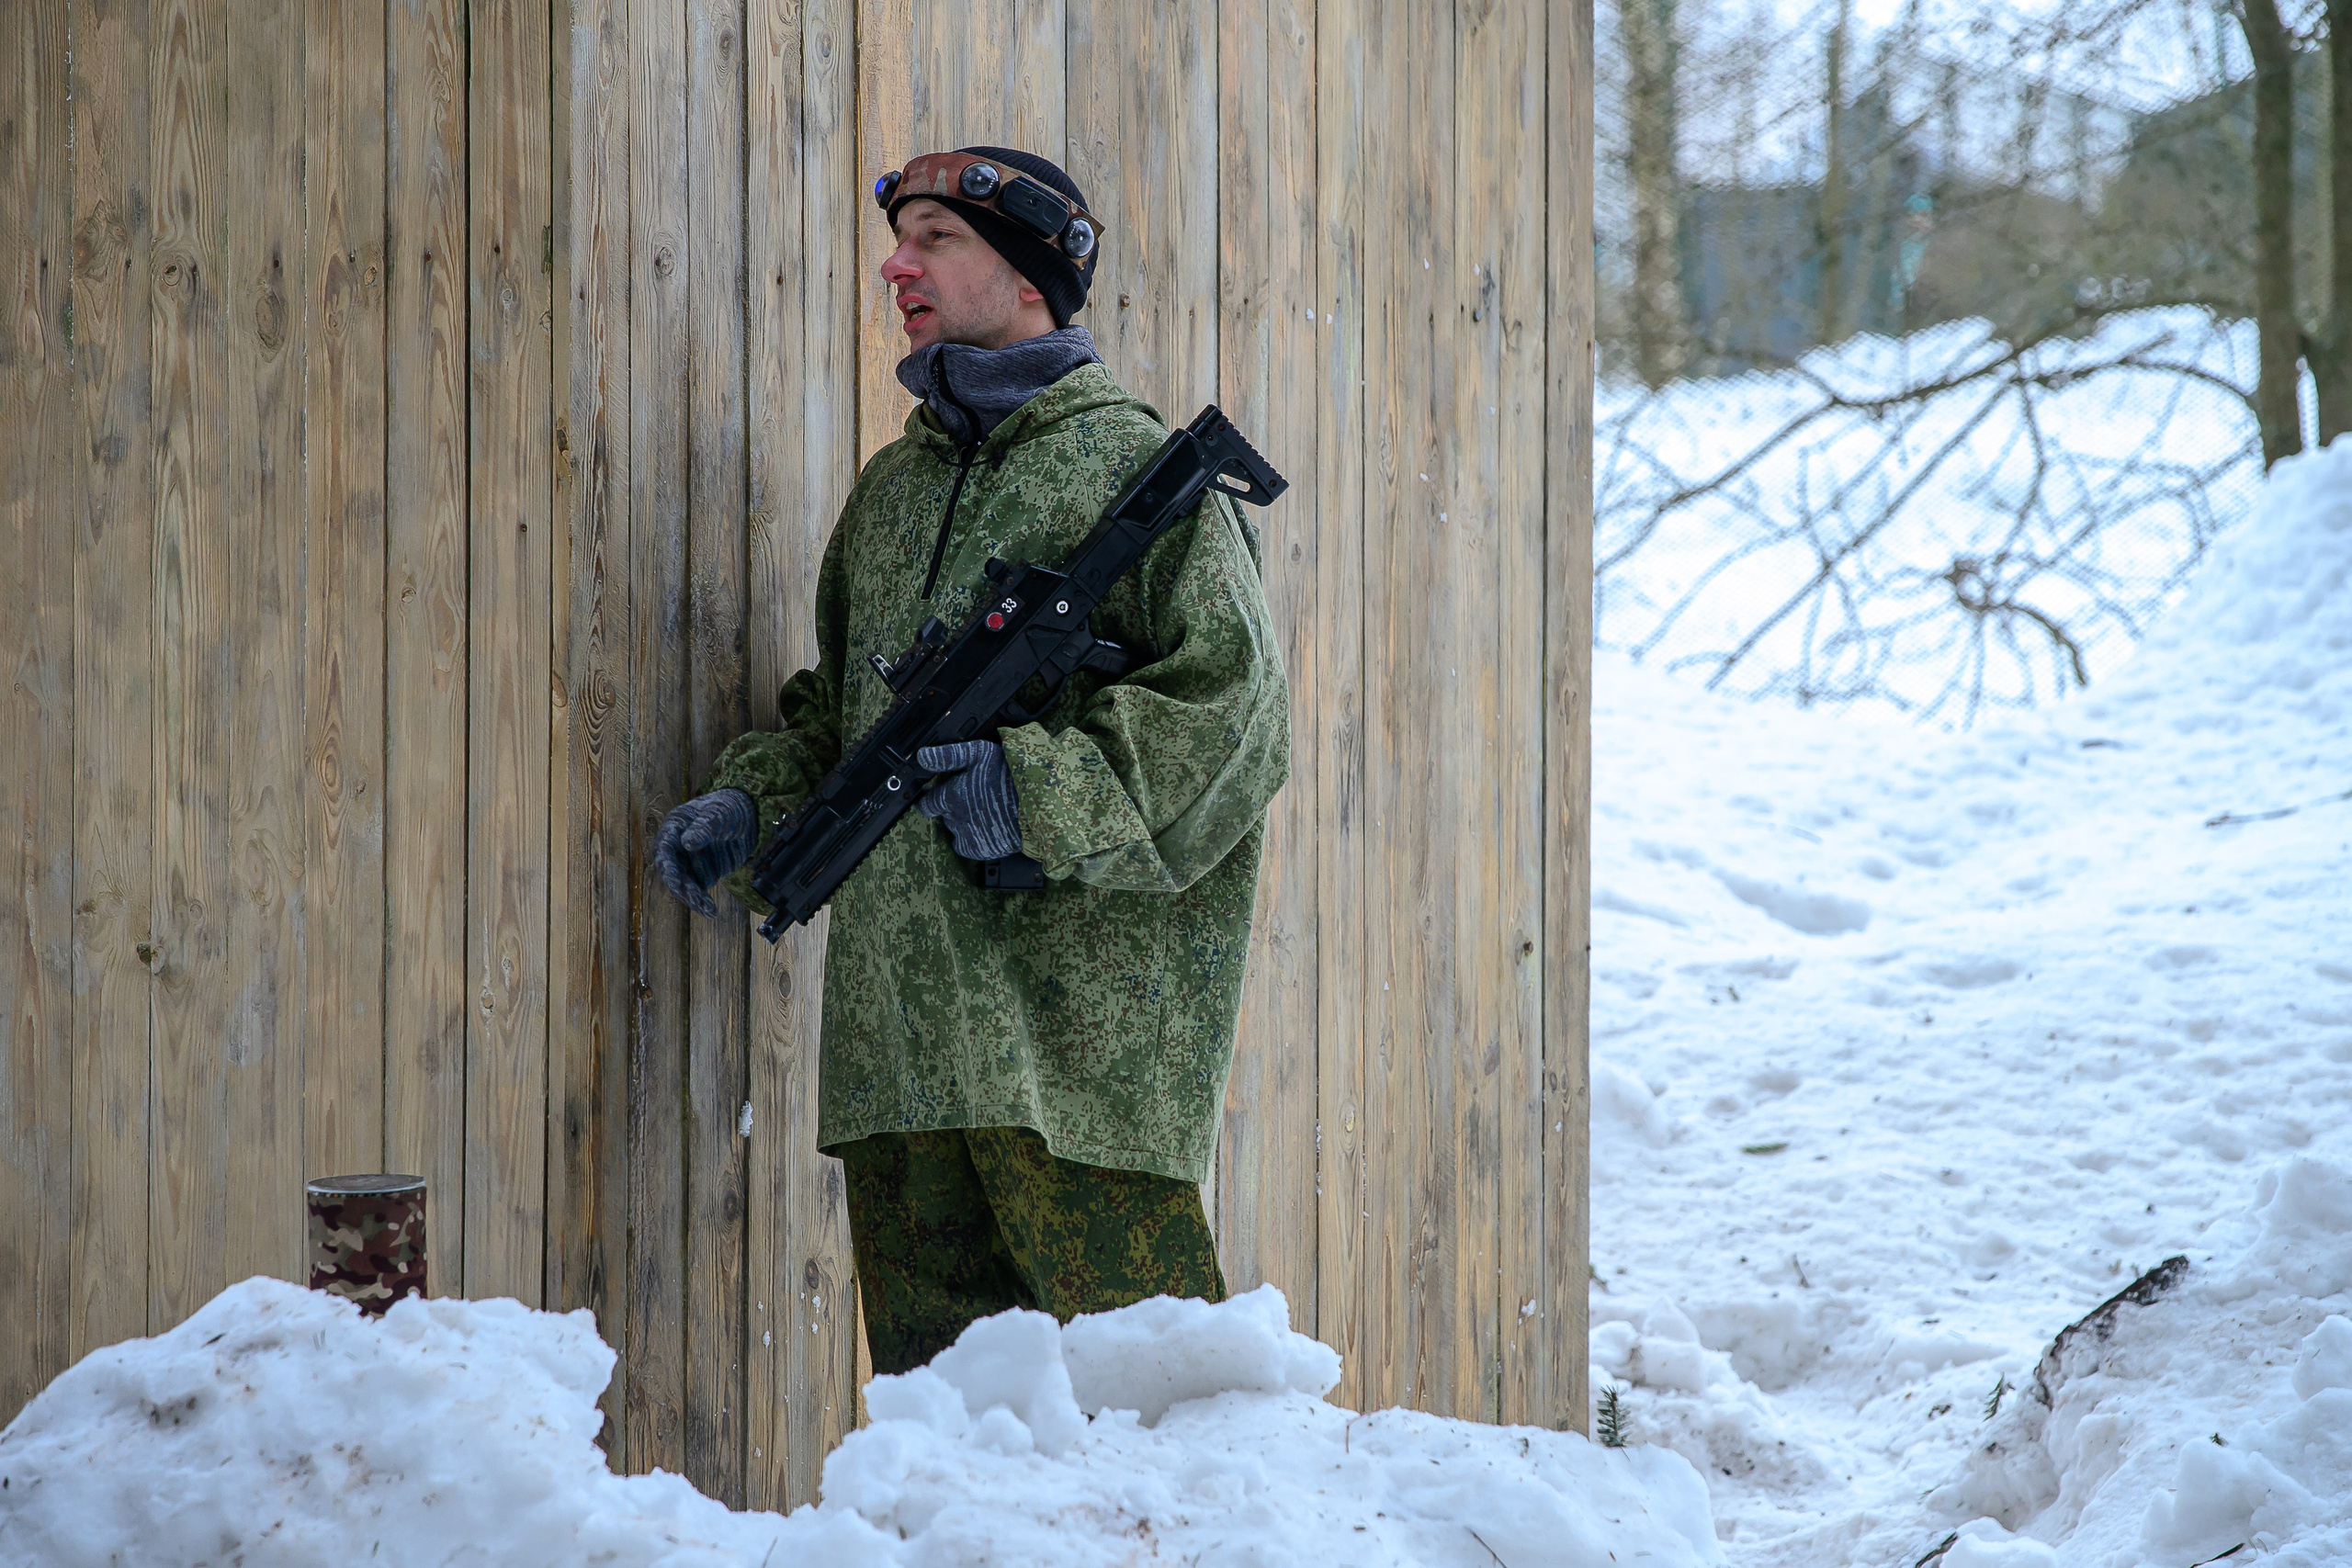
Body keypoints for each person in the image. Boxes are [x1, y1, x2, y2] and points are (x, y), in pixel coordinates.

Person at [650, 146, 1290, 1374]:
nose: (897, 264)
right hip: (899, 1062)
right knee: (944, 1439)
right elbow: (841, 723)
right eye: (901, 241)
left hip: (1078, 1067)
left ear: (1032, 273)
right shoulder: (892, 493)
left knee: (1158, 1420)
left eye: (935, 238)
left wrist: (1033, 791)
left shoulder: (1132, 473)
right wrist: (755, 808)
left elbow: (1231, 719)